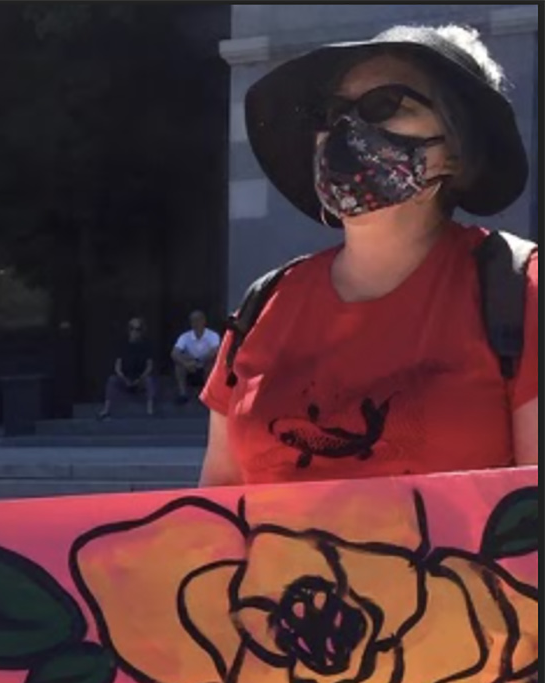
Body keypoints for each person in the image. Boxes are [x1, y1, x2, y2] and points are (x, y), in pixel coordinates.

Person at [200, 23, 538, 486]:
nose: (344, 129)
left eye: (384, 105)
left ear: (456, 149)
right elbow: (213, 523)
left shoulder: (523, 293)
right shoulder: (261, 311)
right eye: (331, 112)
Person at [97, 317, 156, 419]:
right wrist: (124, 379)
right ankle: (106, 409)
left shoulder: (147, 345)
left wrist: (140, 379)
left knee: (149, 381)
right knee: (112, 380)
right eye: (132, 328)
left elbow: (149, 366)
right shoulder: (122, 345)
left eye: (138, 329)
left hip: (140, 378)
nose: (134, 332)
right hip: (125, 378)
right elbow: (117, 366)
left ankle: (150, 410)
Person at [170, 310, 220, 404]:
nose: (196, 323)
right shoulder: (185, 336)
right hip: (190, 364)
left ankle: (207, 394)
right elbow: (174, 353)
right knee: (178, 366)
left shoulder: (213, 335)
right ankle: (182, 394)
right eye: (193, 320)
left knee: (212, 363)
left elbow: (216, 351)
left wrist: (200, 361)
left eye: (198, 320)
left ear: (204, 321)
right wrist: (186, 363)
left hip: (205, 362)